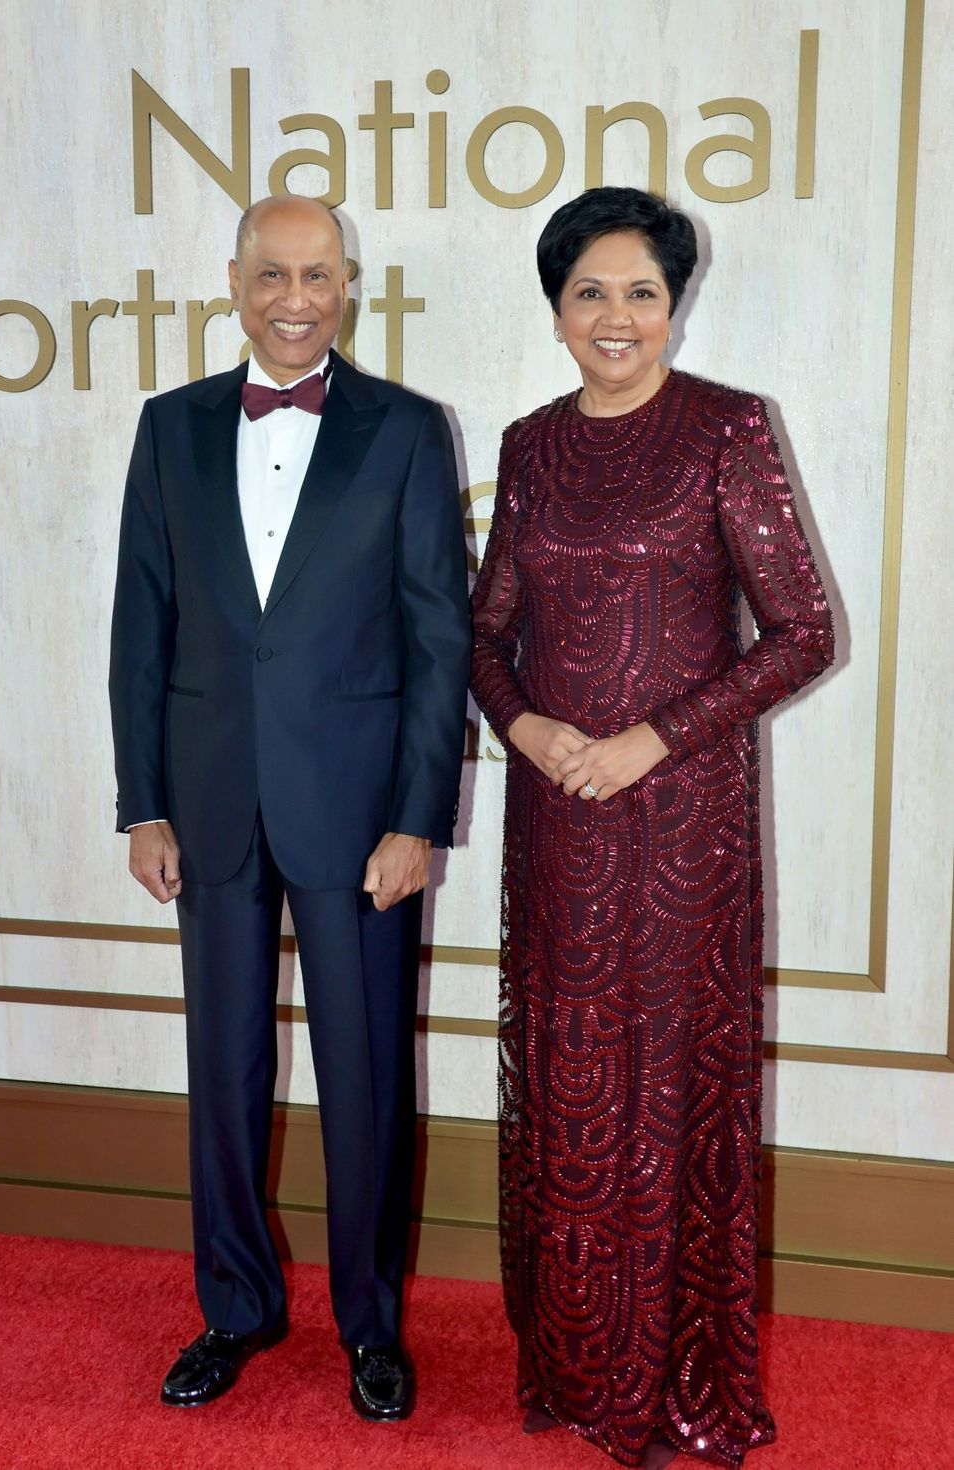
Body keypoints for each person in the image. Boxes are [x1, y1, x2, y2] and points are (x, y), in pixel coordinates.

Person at [470, 186, 834, 1467]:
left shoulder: (724, 429)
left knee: (671, 1080)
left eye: (640, 291)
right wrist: (527, 730)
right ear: (555, 310)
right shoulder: (526, 446)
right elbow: (483, 632)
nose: (614, 316)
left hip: (685, 825)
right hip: (558, 816)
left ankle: (671, 1375)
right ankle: (576, 1361)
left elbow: (802, 634)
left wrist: (652, 740)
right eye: (589, 292)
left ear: (674, 307)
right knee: (571, 1075)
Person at [109, 195, 470, 1419]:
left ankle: (370, 1324)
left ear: (351, 286)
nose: (295, 297)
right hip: (205, 801)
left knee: (364, 1074)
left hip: (360, 809)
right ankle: (235, 1308)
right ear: (233, 280)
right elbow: (139, 627)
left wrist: (418, 816)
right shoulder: (169, 428)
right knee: (223, 1070)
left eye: (319, 274)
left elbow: (439, 640)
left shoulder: (410, 431)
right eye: (273, 273)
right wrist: (140, 802)